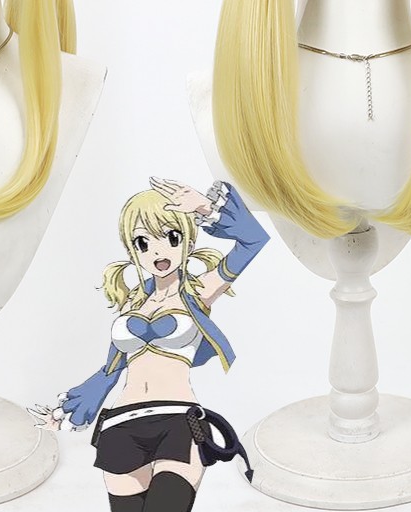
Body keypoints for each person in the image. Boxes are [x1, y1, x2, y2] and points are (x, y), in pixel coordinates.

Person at [30, 177, 270, 511]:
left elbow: (254, 240)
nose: (158, 251)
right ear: (133, 251)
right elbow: (110, 370)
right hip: (122, 423)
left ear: (187, 240)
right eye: (143, 242)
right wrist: (66, 411)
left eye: (171, 237)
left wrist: (205, 208)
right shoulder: (131, 303)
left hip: (178, 421)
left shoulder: (198, 291)